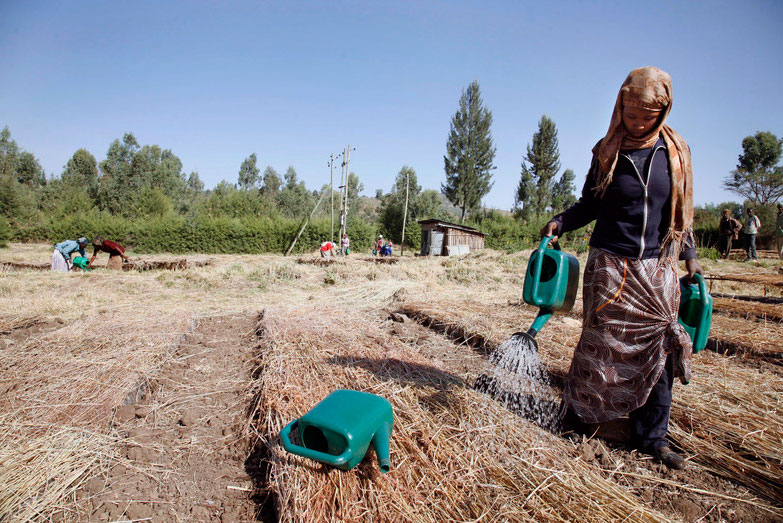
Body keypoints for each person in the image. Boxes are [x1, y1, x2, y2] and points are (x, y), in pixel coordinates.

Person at [540, 67, 702, 470]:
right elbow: (590, 204)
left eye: (646, 116)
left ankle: (653, 436)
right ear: (620, 105)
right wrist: (561, 221)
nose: (636, 122)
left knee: (661, 347)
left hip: (658, 266)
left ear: (662, 111)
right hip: (610, 265)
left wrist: (692, 263)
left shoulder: (675, 153)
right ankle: (581, 419)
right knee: (601, 348)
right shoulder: (608, 150)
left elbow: (680, 216)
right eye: (630, 113)